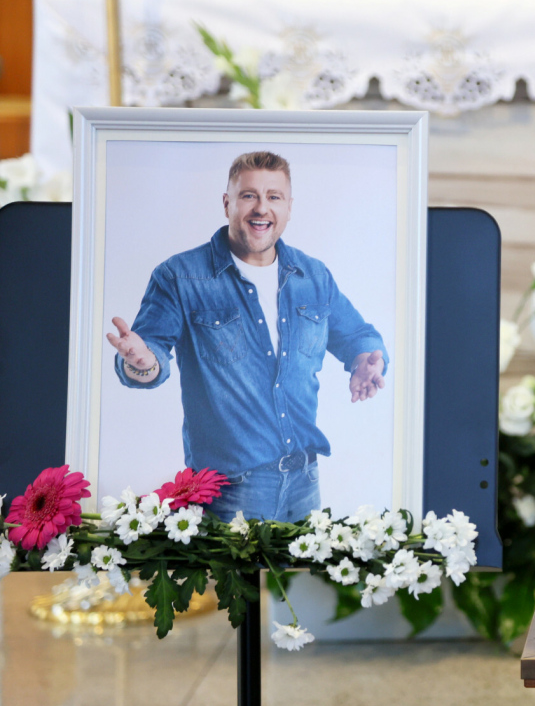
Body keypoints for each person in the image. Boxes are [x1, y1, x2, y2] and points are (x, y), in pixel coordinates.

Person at [107, 151, 388, 523]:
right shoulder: (180, 276)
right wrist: (142, 363)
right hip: (230, 491)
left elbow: (357, 335)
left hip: (305, 482)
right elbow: (148, 356)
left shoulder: (313, 276)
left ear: (289, 207)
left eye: (274, 197)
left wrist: (367, 359)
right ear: (228, 203)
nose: (261, 208)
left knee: (303, 567)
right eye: (249, 195)